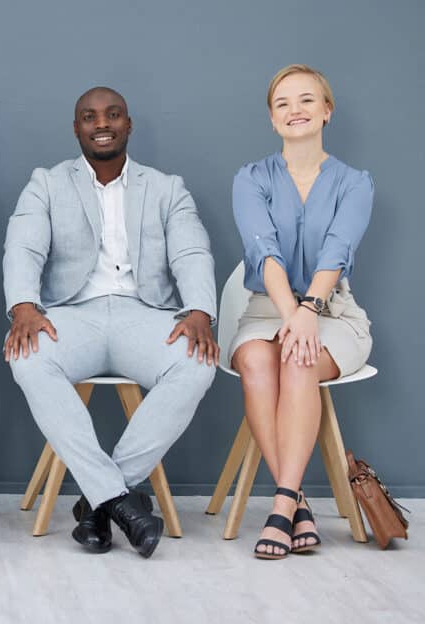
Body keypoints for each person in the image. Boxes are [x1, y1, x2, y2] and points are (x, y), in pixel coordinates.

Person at [3, 87, 217, 558]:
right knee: (29, 358)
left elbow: (191, 251)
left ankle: (101, 503)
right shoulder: (46, 182)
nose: (102, 123)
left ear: (128, 124)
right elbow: (23, 246)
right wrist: (23, 306)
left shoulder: (166, 188)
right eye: (89, 116)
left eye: (113, 114)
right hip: (69, 314)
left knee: (197, 363)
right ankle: (122, 500)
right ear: (76, 127)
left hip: (145, 314)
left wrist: (200, 310)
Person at [230, 64, 373, 560]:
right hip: (268, 308)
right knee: (254, 359)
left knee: (298, 360)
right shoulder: (250, 179)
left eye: (307, 100)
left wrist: (310, 310)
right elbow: (263, 252)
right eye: (283, 104)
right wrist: (293, 314)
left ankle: (282, 504)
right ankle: (297, 502)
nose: (295, 111)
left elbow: (337, 249)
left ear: (327, 111)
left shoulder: (355, 183)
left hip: (333, 313)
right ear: (272, 119)